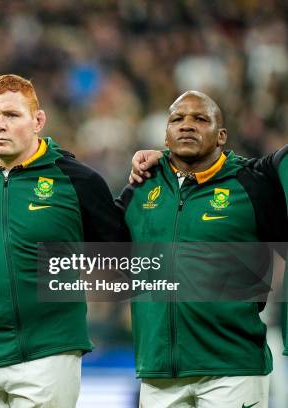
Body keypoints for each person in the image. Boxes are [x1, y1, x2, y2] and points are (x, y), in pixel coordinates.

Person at [0, 74, 129, 407]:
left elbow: (123, 253)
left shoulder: (77, 181)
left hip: (48, 354)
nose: (0, 125)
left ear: (38, 120)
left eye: (12, 115)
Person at [116, 91, 287, 407]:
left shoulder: (252, 183)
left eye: (200, 119)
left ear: (221, 135)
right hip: (159, 373)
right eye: (177, 119)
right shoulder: (141, 187)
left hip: (233, 371)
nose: (187, 125)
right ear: (166, 136)